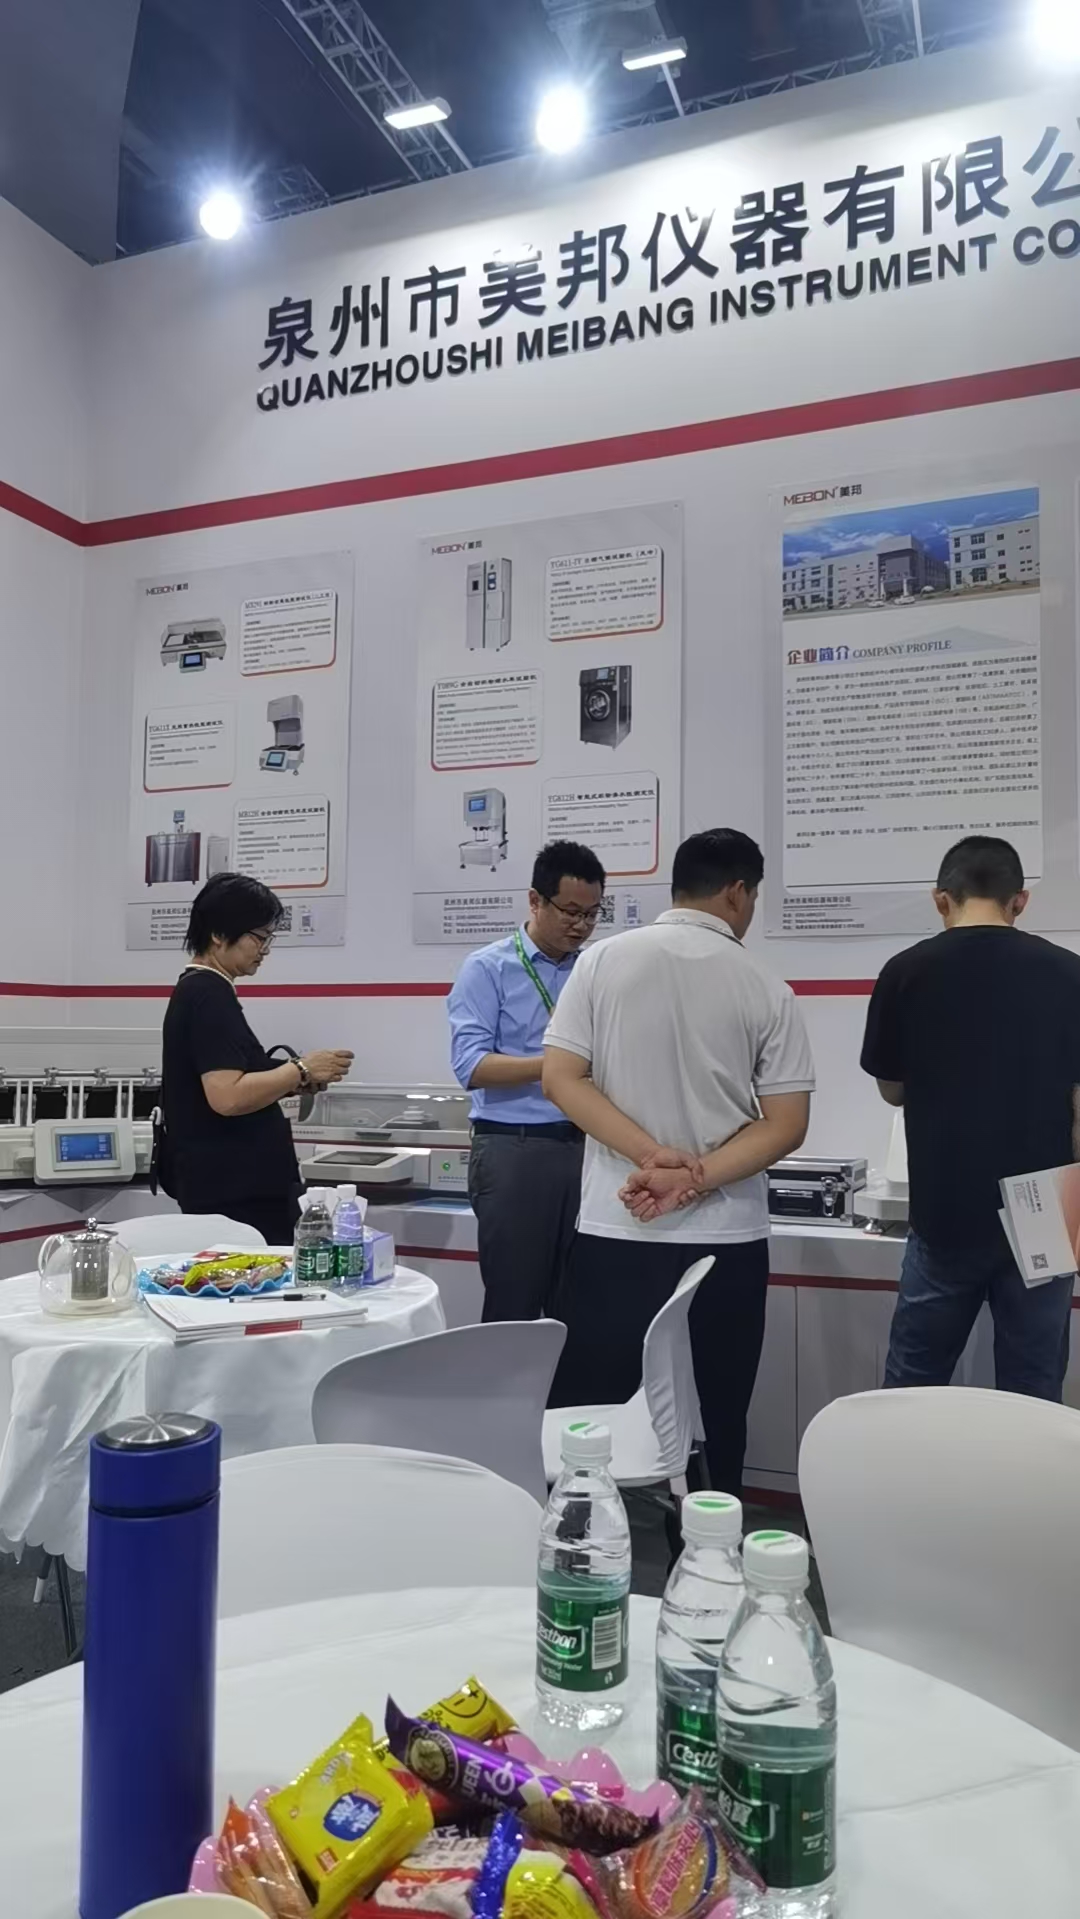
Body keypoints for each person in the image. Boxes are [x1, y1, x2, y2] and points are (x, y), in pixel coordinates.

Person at [543, 828, 814, 1499]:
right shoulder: (766, 985)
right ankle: (714, 1536)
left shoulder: (601, 962)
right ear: (738, 892)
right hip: (728, 1234)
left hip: (617, 1221)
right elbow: (786, 1124)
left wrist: (648, 1157)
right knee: (720, 1406)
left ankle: (583, 1533)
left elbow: (562, 1079)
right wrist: (695, 1177)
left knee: (596, 1411)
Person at [861, 834, 1080, 1401]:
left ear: (941, 899)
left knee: (913, 1385)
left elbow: (892, 1090)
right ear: (1020, 901)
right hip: (1045, 1208)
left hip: (945, 1207)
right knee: (1033, 1388)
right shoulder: (1070, 973)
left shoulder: (906, 971)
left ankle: (906, 1466)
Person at [448, 840, 606, 1320]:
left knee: (580, 1305)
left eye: (592, 914)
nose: (581, 926)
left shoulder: (596, 969)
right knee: (514, 1304)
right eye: (571, 912)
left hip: (590, 1149)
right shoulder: (488, 967)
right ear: (535, 900)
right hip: (515, 1149)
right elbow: (472, 1066)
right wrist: (559, 1063)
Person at [161, 873, 354, 1243]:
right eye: (258, 937)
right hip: (234, 1193)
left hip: (233, 1187)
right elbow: (227, 1096)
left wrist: (293, 1080)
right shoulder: (208, 994)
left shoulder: (203, 991)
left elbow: (231, 1078)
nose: (265, 949)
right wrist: (300, 1068)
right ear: (219, 934)